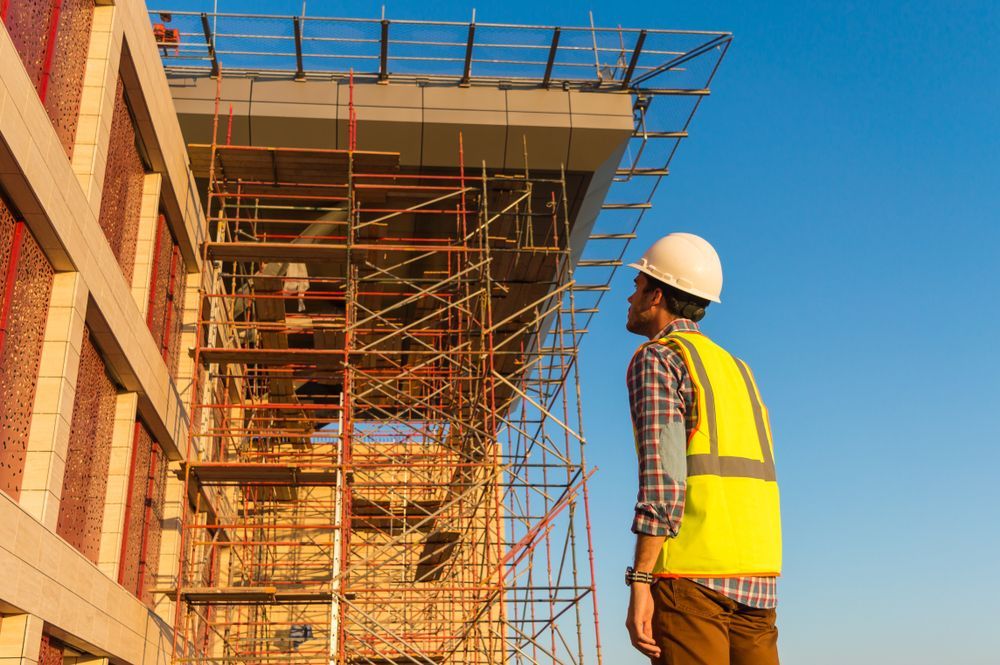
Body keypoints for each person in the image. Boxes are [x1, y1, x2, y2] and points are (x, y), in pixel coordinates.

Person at [622, 233, 781, 664]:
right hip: (758, 578)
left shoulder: (658, 359)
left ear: (657, 295)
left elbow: (663, 479)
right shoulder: (738, 369)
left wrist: (640, 579)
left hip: (690, 578)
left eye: (637, 285)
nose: (630, 294)